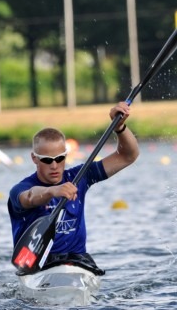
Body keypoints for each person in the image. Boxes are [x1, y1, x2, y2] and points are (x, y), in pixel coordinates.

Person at [7, 102, 139, 273]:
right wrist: (53, 190)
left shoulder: (80, 176)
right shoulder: (21, 188)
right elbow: (30, 197)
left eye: (60, 158)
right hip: (39, 264)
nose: (54, 165)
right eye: (47, 160)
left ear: (66, 156)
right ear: (34, 158)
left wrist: (120, 128)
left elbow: (128, 156)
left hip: (78, 260)